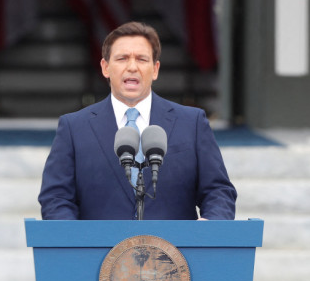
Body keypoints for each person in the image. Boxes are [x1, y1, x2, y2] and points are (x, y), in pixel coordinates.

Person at [39, 21, 236, 220]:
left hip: (174, 250)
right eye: (122, 58)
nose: (132, 67)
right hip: (102, 250)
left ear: (155, 69)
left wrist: (210, 231)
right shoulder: (74, 128)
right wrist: (74, 242)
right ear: (105, 67)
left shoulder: (192, 123)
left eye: (141, 59)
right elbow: (56, 198)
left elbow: (218, 191)